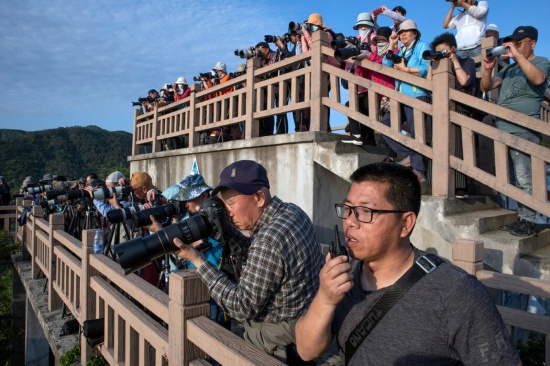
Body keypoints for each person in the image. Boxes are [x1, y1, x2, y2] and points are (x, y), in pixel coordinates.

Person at [295, 162, 521, 365]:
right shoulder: (345, 276)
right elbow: (306, 351)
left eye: (365, 211)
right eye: (347, 209)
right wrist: (326, 297)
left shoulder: (456, 293)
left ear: (406, 223)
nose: (350, 222)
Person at [171, 160, 323, 363]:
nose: (228, 211)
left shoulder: (269, 239)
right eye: (224, 204)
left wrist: (198, 260)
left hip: (277, 347)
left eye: (231, 203)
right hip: (303, 330)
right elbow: (260, 258)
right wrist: (227, 229)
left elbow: (241, 306)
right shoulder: (292, 212)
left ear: (259, 198)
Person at [481, 26, 550, 237]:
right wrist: (487, 69)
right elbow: (486, 86)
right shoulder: (508, 69)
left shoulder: (541, 62)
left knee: (525, 176)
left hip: (524, 128)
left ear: (533, 43)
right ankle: (522, 217)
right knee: (512, 177)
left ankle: (530, 221)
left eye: (519, 43)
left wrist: (518, 55)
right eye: (512, 43)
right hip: (503, 128)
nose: (513, 47)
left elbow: (538, 79)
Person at [381, 19, 432, 186]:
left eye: (406, 31)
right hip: (401, 96)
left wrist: (405, 70)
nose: (402, 34)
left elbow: (425, 69)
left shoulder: (422, 46)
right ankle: (408, 155)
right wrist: (391, 45)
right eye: (400, 32)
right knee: (385, 124)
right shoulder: (400, 50)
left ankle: (419, 172)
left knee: (418, 133)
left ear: (415, 33)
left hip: (417, 95)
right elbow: (386, 64)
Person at [341, 12, 378, 146]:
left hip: (369, 82)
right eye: (360, 26)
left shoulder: (374, 39)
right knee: (357, 108)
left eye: (364, 25)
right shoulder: (356, 39)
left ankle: (363, 137)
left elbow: (376, 57)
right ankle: (361, 137)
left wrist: (367, 52)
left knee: (364, 110)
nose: (362, 28)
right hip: (356, 83)